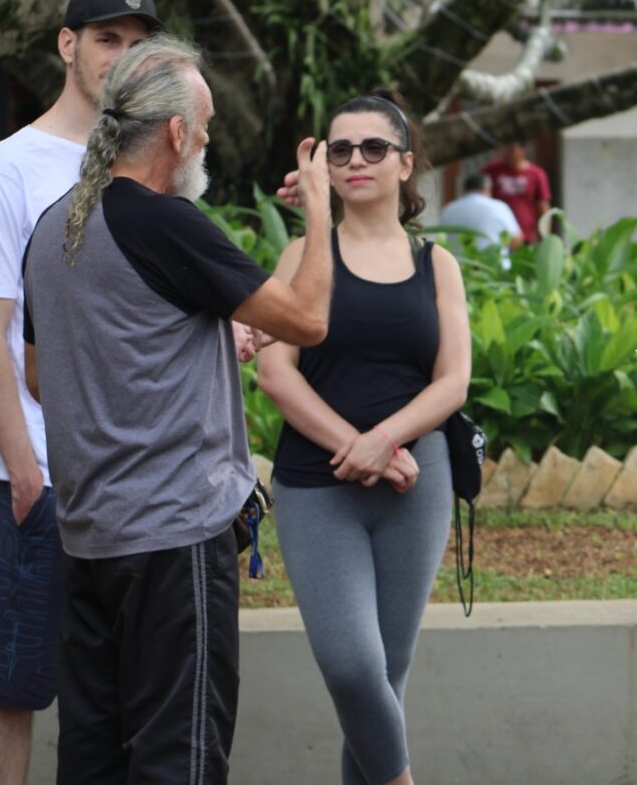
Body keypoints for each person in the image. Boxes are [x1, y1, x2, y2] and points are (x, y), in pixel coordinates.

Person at [21, 35, 335, 783]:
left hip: (91, 539)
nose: (209, 135)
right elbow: (309, 318)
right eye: (208, 120)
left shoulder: (55, 226)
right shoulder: (166, 221)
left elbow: (43, 375)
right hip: (173, 540)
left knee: (92, 757)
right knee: (179, 759)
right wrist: (320, 214)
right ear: (174, 132)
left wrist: (189, 351)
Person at [0, 0, 161, 785]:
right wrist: (26, 471)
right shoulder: (11, 167)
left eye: (137, 41)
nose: (122, 55)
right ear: (66, 45)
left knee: (118, 695)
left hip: (137, 481)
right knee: (14, 687)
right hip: (44, 479)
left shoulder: (148, 164)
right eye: (106, 38)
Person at [257, 90, 471, 785]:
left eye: (373, 147)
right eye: (339, 148)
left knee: (386, 677)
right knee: (353, 667)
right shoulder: (301, 255)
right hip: (318, 486)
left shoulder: (438, 264)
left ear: (405, 164)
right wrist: (356, 444)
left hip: (417, 480)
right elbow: (273, 370)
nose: (355, 159)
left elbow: (452, 381)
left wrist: (386, 440)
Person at [481, 141, 550, 244]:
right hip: (499, 234)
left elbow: (542, 206)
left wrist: (544, 235)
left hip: (527, 235)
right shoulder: (492, 170)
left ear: (523, 150)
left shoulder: (536, 174)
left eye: (512, 149)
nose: (507, 153)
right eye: (506, 149)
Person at [439, 172, 521, 253]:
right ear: (487, 189)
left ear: (463, 190)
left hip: (459, 263)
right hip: (493, 264)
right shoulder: (499, 207)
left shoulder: (449, 209)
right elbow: (516, 239)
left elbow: (442, 239)